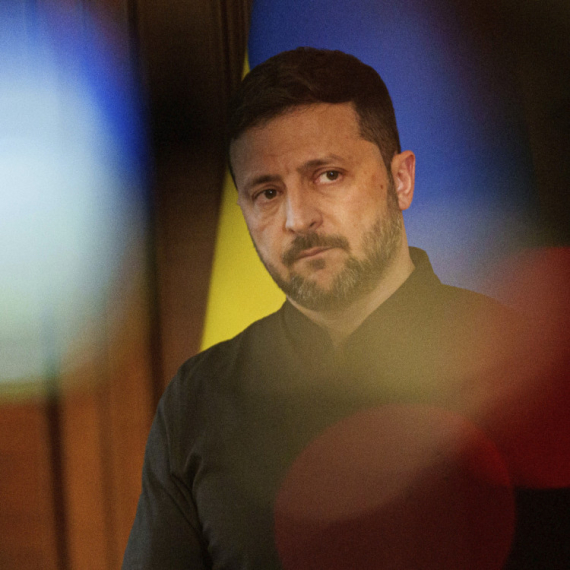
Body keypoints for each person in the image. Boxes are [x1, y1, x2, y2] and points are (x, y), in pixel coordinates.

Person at [123, 48, 569, 569]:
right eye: (267, 192)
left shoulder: (524, 371)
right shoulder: (197, 400)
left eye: (328, 175)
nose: (298, 218)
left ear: (401, 180)